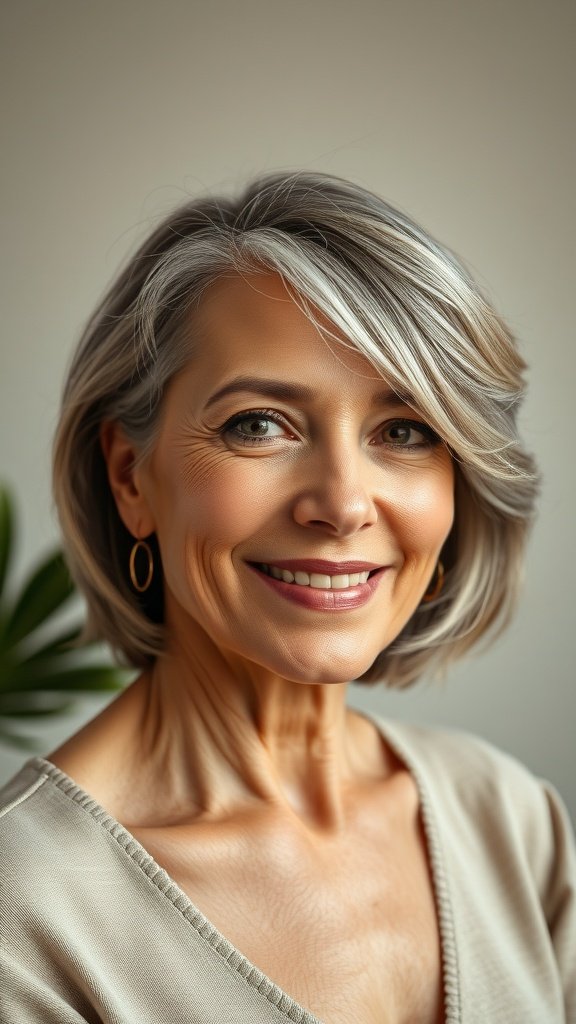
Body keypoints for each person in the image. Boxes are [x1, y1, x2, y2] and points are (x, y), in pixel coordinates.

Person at [0, 172, 574, 1024]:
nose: (342, 504)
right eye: (259, 424)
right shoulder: (28, 911)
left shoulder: (511, 821)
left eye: (405, 432)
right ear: (131, 478)